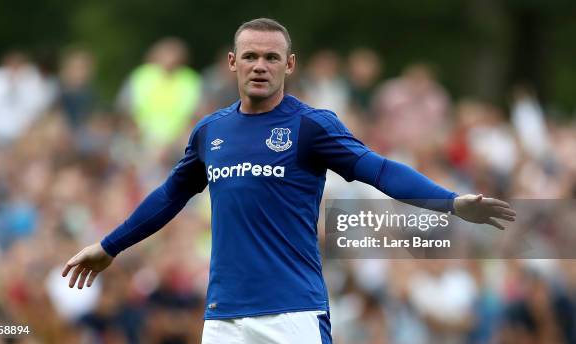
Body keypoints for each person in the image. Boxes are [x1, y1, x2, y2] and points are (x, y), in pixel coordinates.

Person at [62, 18, 516, 343]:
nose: (261, 65)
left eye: (272, 57)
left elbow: (378, 169)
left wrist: (451, 202)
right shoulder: (210, 132)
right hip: (224, 315)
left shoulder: (311, 126)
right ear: (232, 63)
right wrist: (109, 247)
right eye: (252, 56)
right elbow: (169, 195)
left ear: (290, 65)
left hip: (293, 311)